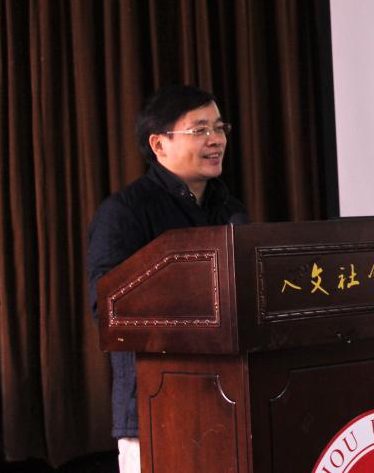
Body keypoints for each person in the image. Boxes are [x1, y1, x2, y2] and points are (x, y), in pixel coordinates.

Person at [87, 85, 248, 473]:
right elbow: (107, 309)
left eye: (219, 128)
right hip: (156, 406)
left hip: (229, 401)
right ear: (159, 144)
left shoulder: (229, 210)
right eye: (200, 130)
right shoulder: (125, 212)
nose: (216, 140)